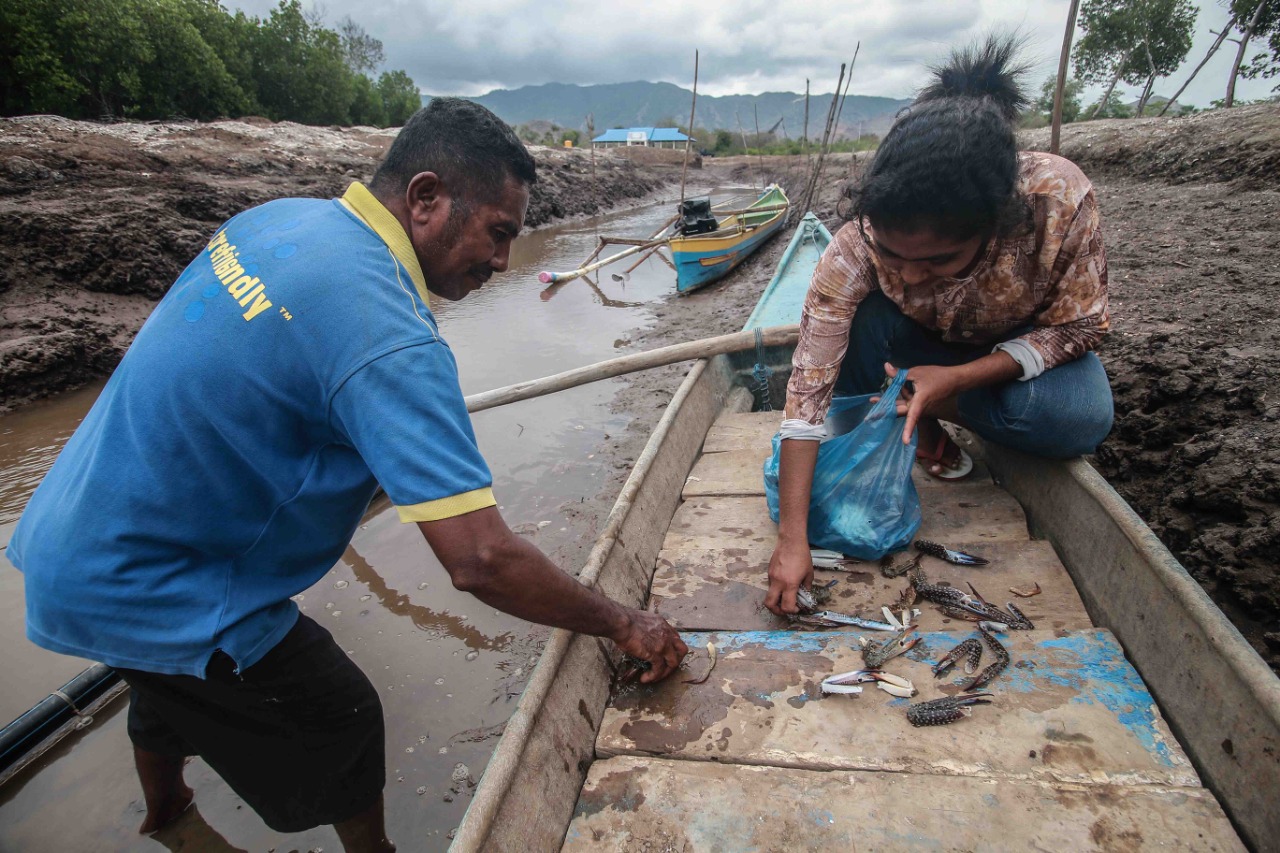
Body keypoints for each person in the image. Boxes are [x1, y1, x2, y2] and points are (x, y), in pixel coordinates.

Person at [7, 98, 688, 851]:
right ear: (425, 197)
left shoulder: (278, 220)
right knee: (342, 713)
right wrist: (623, 621)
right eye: (498, 234)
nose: (502, 264)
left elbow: (256, 386)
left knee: (165, 675)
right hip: (150, 576)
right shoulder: (389, 335)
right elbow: (480, 560)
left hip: (72, 532)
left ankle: (164, 811)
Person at [764, 36, 1114, 617]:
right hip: (906, 345)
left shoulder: (1057, 200)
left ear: (994, 225)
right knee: (859, 321)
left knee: (1077, 418)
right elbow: (807, 394)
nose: (910, 275)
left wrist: (959, 379)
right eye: (893, 256)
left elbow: (1082, 327)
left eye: (937, 262)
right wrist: (792, 539)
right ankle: (920, 428)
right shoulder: (854, 248)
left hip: (1009, 358)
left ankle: (929, 404)